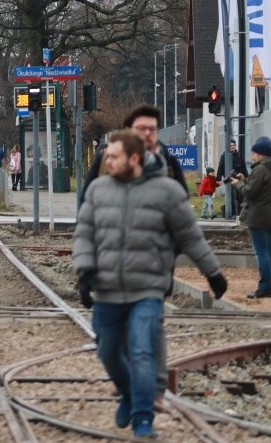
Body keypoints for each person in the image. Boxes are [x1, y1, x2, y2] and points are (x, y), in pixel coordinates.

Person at [73, 129, 227, 439]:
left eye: (113, 157)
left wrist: (212, 273)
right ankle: (129, 394)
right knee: (106, 351)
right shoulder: (98, 190)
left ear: (134, 158)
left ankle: (143, 419)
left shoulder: (167, 192)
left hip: (147, 289)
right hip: (106, 289)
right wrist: (85, 272)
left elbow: (190, 236)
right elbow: (84, 234)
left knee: (143, 351)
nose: (108, 162)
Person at [81, 105, 187, 405]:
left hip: (157, 259)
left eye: (152, 129)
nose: (148, 134)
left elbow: (182, 212)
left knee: (153, 323)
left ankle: (155, 388)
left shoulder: (167, 160)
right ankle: (128, 378)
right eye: (141, 129)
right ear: (129, 131)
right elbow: (86, 202)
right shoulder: (106, 160)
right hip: (113, 256)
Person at [230, 136, 271, 298]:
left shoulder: (260, 169)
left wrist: (238, 184)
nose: (252, 156)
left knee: (261, 252)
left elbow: (250, 192)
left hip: (258, 216)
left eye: (254, 153)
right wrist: (245, 179)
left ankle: (265, 286)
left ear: (261, 154)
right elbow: (261, 189)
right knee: (268, 251)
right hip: (268, 216)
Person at [217, 139, 248, 218]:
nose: (232, 147)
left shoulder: (238, 155)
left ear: (235, 146)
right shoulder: (224, 156)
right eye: (230, 146)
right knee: (231, 196)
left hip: (238, 178)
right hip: (229, 179)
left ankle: (240, 213)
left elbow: (243, 167)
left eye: (233, 145)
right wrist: (218, 178)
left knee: (240, 196)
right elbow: (220, 167)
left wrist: (246, 177)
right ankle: (233, 213)